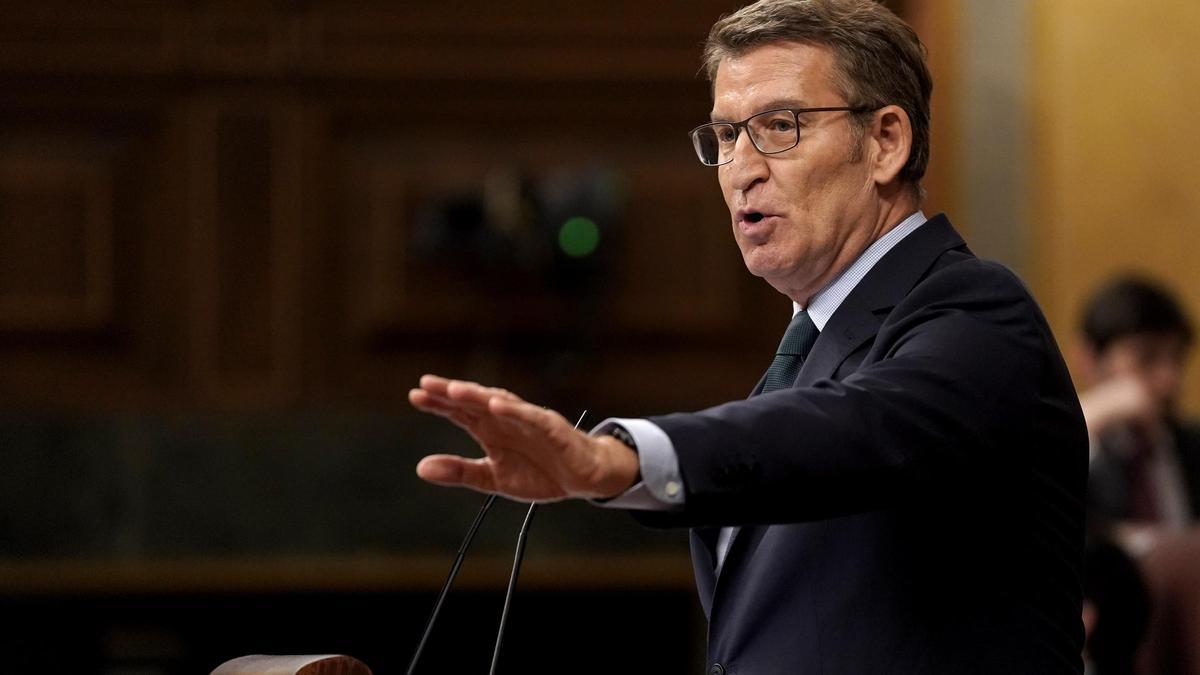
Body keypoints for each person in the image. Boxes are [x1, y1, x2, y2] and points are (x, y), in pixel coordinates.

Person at [410, 1, 1088, 672]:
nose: (741, 168)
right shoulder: (805, 350)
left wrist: (623, 458)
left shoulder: (976, 314)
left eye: (779, 126)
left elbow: (854, 429)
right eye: (727, 135)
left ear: (887, 141)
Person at [1077, 275, 1200, 534]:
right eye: (1147, 357)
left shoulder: (1191, 446)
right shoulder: (1079, 448)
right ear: (1089, 359)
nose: (1170, 379)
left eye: (1177, 358)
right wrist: (1088, 418)